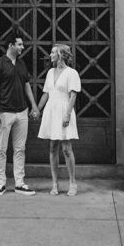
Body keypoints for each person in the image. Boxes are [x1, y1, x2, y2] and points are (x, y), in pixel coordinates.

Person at [0, 34, 40, 195]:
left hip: (22, 112)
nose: (22, 47)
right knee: (1, 149)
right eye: (19, 44)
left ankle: (19, 183)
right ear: (10, 45)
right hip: (4, 113)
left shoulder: (22, 64)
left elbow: (26, 86)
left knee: (20, 149)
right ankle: (1, 183)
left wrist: (33, 106)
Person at [37, 44, 81, 196]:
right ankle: (54, 183)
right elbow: (46, 93)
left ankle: (72, 182)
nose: (50, 55)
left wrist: (67, 115)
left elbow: (73, 95)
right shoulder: (50, 72)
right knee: (52, 147)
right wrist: (37, 109)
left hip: (64, 110)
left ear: (61, 55)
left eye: (53, 52)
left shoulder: (71, 73)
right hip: (51, 110)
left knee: (66, 149)